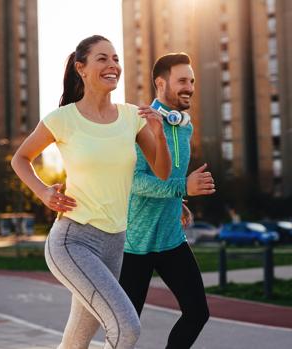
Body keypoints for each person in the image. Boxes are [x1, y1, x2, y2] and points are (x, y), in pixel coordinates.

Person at [11, 35, 171, 349]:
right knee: (126, 329)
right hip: (73, 241)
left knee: (76, 341)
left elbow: (161, 172)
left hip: (114, 243)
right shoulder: (63, 119)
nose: (113, 65)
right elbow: (21, 158)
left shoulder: (131, 118)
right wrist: (43, 192)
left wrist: (160, 136)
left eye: (116, 59)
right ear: (81, 68)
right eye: (103, 58)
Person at [119, 52, 215, 349]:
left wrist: (179, 200)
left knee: (198, 312)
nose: (190, 87)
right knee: (126, 327)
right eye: (182, 80)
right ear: (161, 83)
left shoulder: (185, 125)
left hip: (171, 238)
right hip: (136, 243)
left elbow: (167, 176)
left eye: (192, 81)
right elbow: (134, 182)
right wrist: (181, 188)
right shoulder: (140, 124)